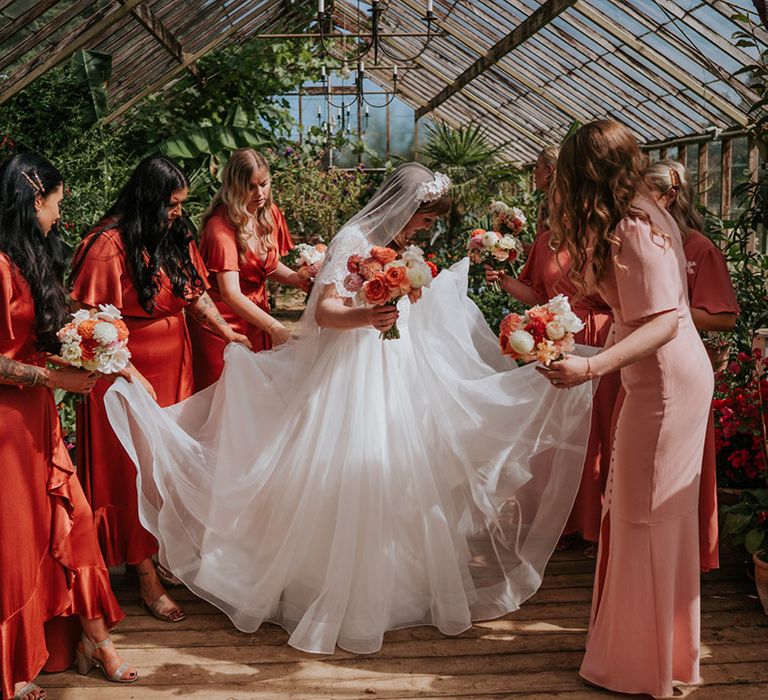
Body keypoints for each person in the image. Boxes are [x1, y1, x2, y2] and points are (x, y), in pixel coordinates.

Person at [103, 162, 596, 656]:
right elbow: (324, 312)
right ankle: (324, 582)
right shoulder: (354, 240)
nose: (425, 228)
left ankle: (390, 579)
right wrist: (369, 315)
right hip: (352, 372)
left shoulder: (395, 248)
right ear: (408, 208)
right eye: (424, 220)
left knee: (394, 468)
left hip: (391, 367)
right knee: (344, 465)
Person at [544, 121, 712, 698]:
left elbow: (665, 321)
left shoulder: (635, 227)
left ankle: (642, 664)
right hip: (661, 378)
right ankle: (655, 652)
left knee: (643, 513)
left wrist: (590, 368)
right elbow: (638, 311)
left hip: (666, 386)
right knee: (645, 509)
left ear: (583, 171)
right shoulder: (639, 214)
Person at [70, 156, 250, 625]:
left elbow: (195, 295)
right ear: (149, 200)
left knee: (166, 467)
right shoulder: (106, 246)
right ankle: (142, 571)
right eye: (171, 204)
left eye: (181, 204)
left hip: (176, 365)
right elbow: (86, 323)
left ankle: (163, 547)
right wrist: (127, 371)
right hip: (124, 374)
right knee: (131, 470)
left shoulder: (176, 234)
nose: (177, 212)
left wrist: (224, 331)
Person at [0, 154, 137, 700]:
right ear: (36, 201)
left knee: (73, 521)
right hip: (7, 424)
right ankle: (13, 662)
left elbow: (42, 333)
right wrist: (49, 377)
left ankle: (93, 641)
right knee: (15, 541)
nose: (60, 215)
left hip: (36, 413)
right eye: (57, 204)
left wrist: (98, 352)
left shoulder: (25, 257)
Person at [487, 145, 620, 557]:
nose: (556, 207)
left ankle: (597, 524)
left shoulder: (604, 239)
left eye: (563, 200)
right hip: (553, 342)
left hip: (599, 338)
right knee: (554, 435)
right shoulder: (544, 242)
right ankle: (558, 520)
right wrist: (506, 281)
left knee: (597, 434)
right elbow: (538, 294)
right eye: (553, 202)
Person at [646, 159, 739, 573]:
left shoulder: (699, 248)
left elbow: (724, 316)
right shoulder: (644, 242)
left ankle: (690, 554)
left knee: (680, 465)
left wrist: (670, 310)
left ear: (669, 197)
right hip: (641, 367)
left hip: (681, 367)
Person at [189, 148, 308, 390]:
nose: (260, 193)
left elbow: (268, 266)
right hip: (222, 326)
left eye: (264, 184)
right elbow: (230, 293)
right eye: (251, 187)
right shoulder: (220, 227)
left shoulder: (269, 214)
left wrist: (299, 280)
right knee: (226, 401)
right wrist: (273, 325)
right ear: (234, 187)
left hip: (255, 317)